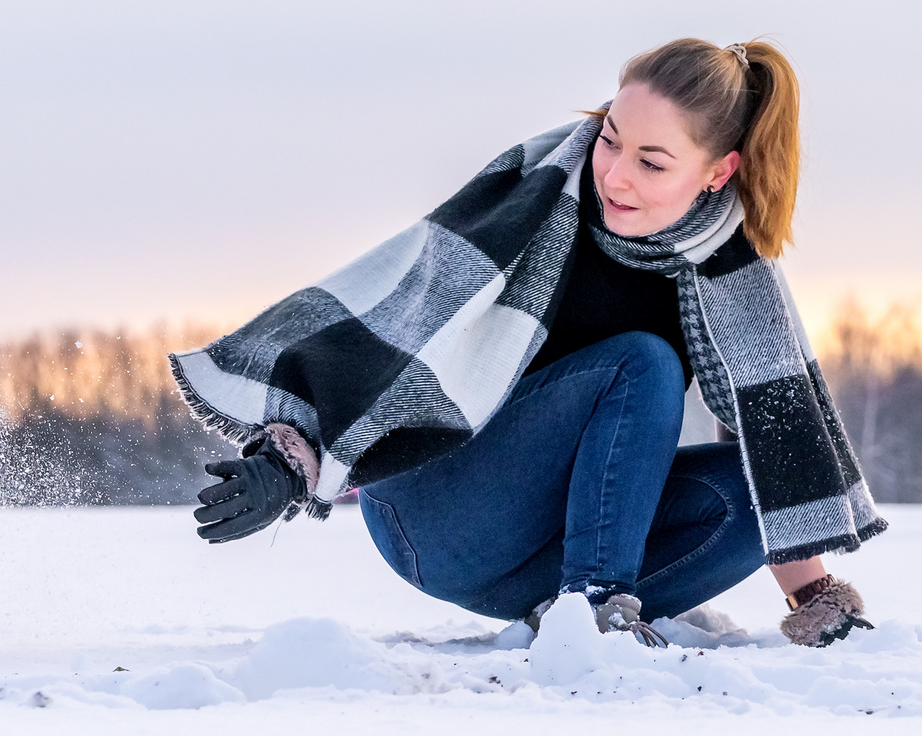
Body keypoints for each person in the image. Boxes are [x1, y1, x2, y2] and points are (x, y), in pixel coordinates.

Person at [171, 38, 883, 648]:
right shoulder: (534, 199)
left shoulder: (731, 274)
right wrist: (287, 459)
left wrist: (811, 592)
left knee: (760, 492)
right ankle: (596, 610)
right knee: (641, 364)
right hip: (437, 514)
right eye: (611, 138)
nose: (616, 174)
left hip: (545, 553)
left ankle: (581, 606)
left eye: (653, 162)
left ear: (717, 172)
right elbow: (393, 330)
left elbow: (775, 448)